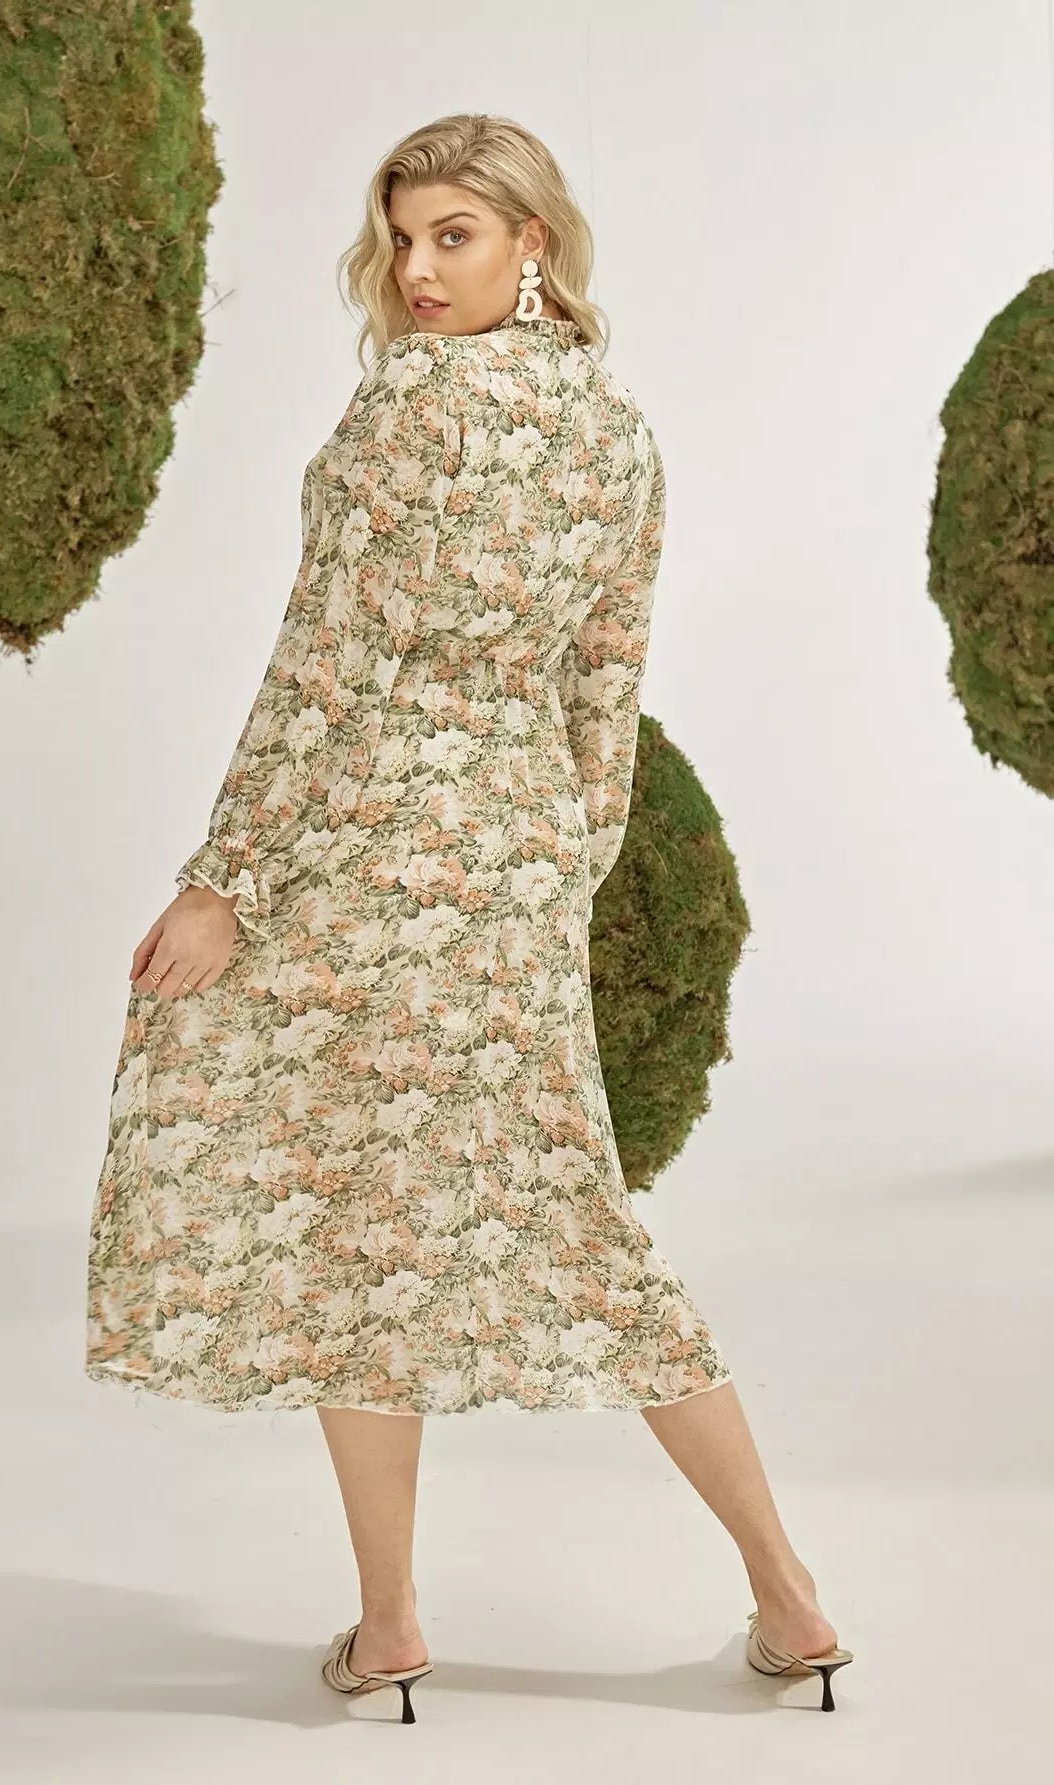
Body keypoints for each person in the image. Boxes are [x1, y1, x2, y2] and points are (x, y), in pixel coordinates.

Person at [84, 113, 851, 1723]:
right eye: (405, 235)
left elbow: (328, 664)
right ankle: (779, 1596)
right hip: (510, 852)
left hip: (363, 847)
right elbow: (604, 682)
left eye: (456, 235)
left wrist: (227, 878)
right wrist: (560, 860)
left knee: (356, 1219)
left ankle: (396, 1624)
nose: (420, 270)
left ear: (532, 245)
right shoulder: (616, 429)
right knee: (551, 1214)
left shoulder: (409, 403)